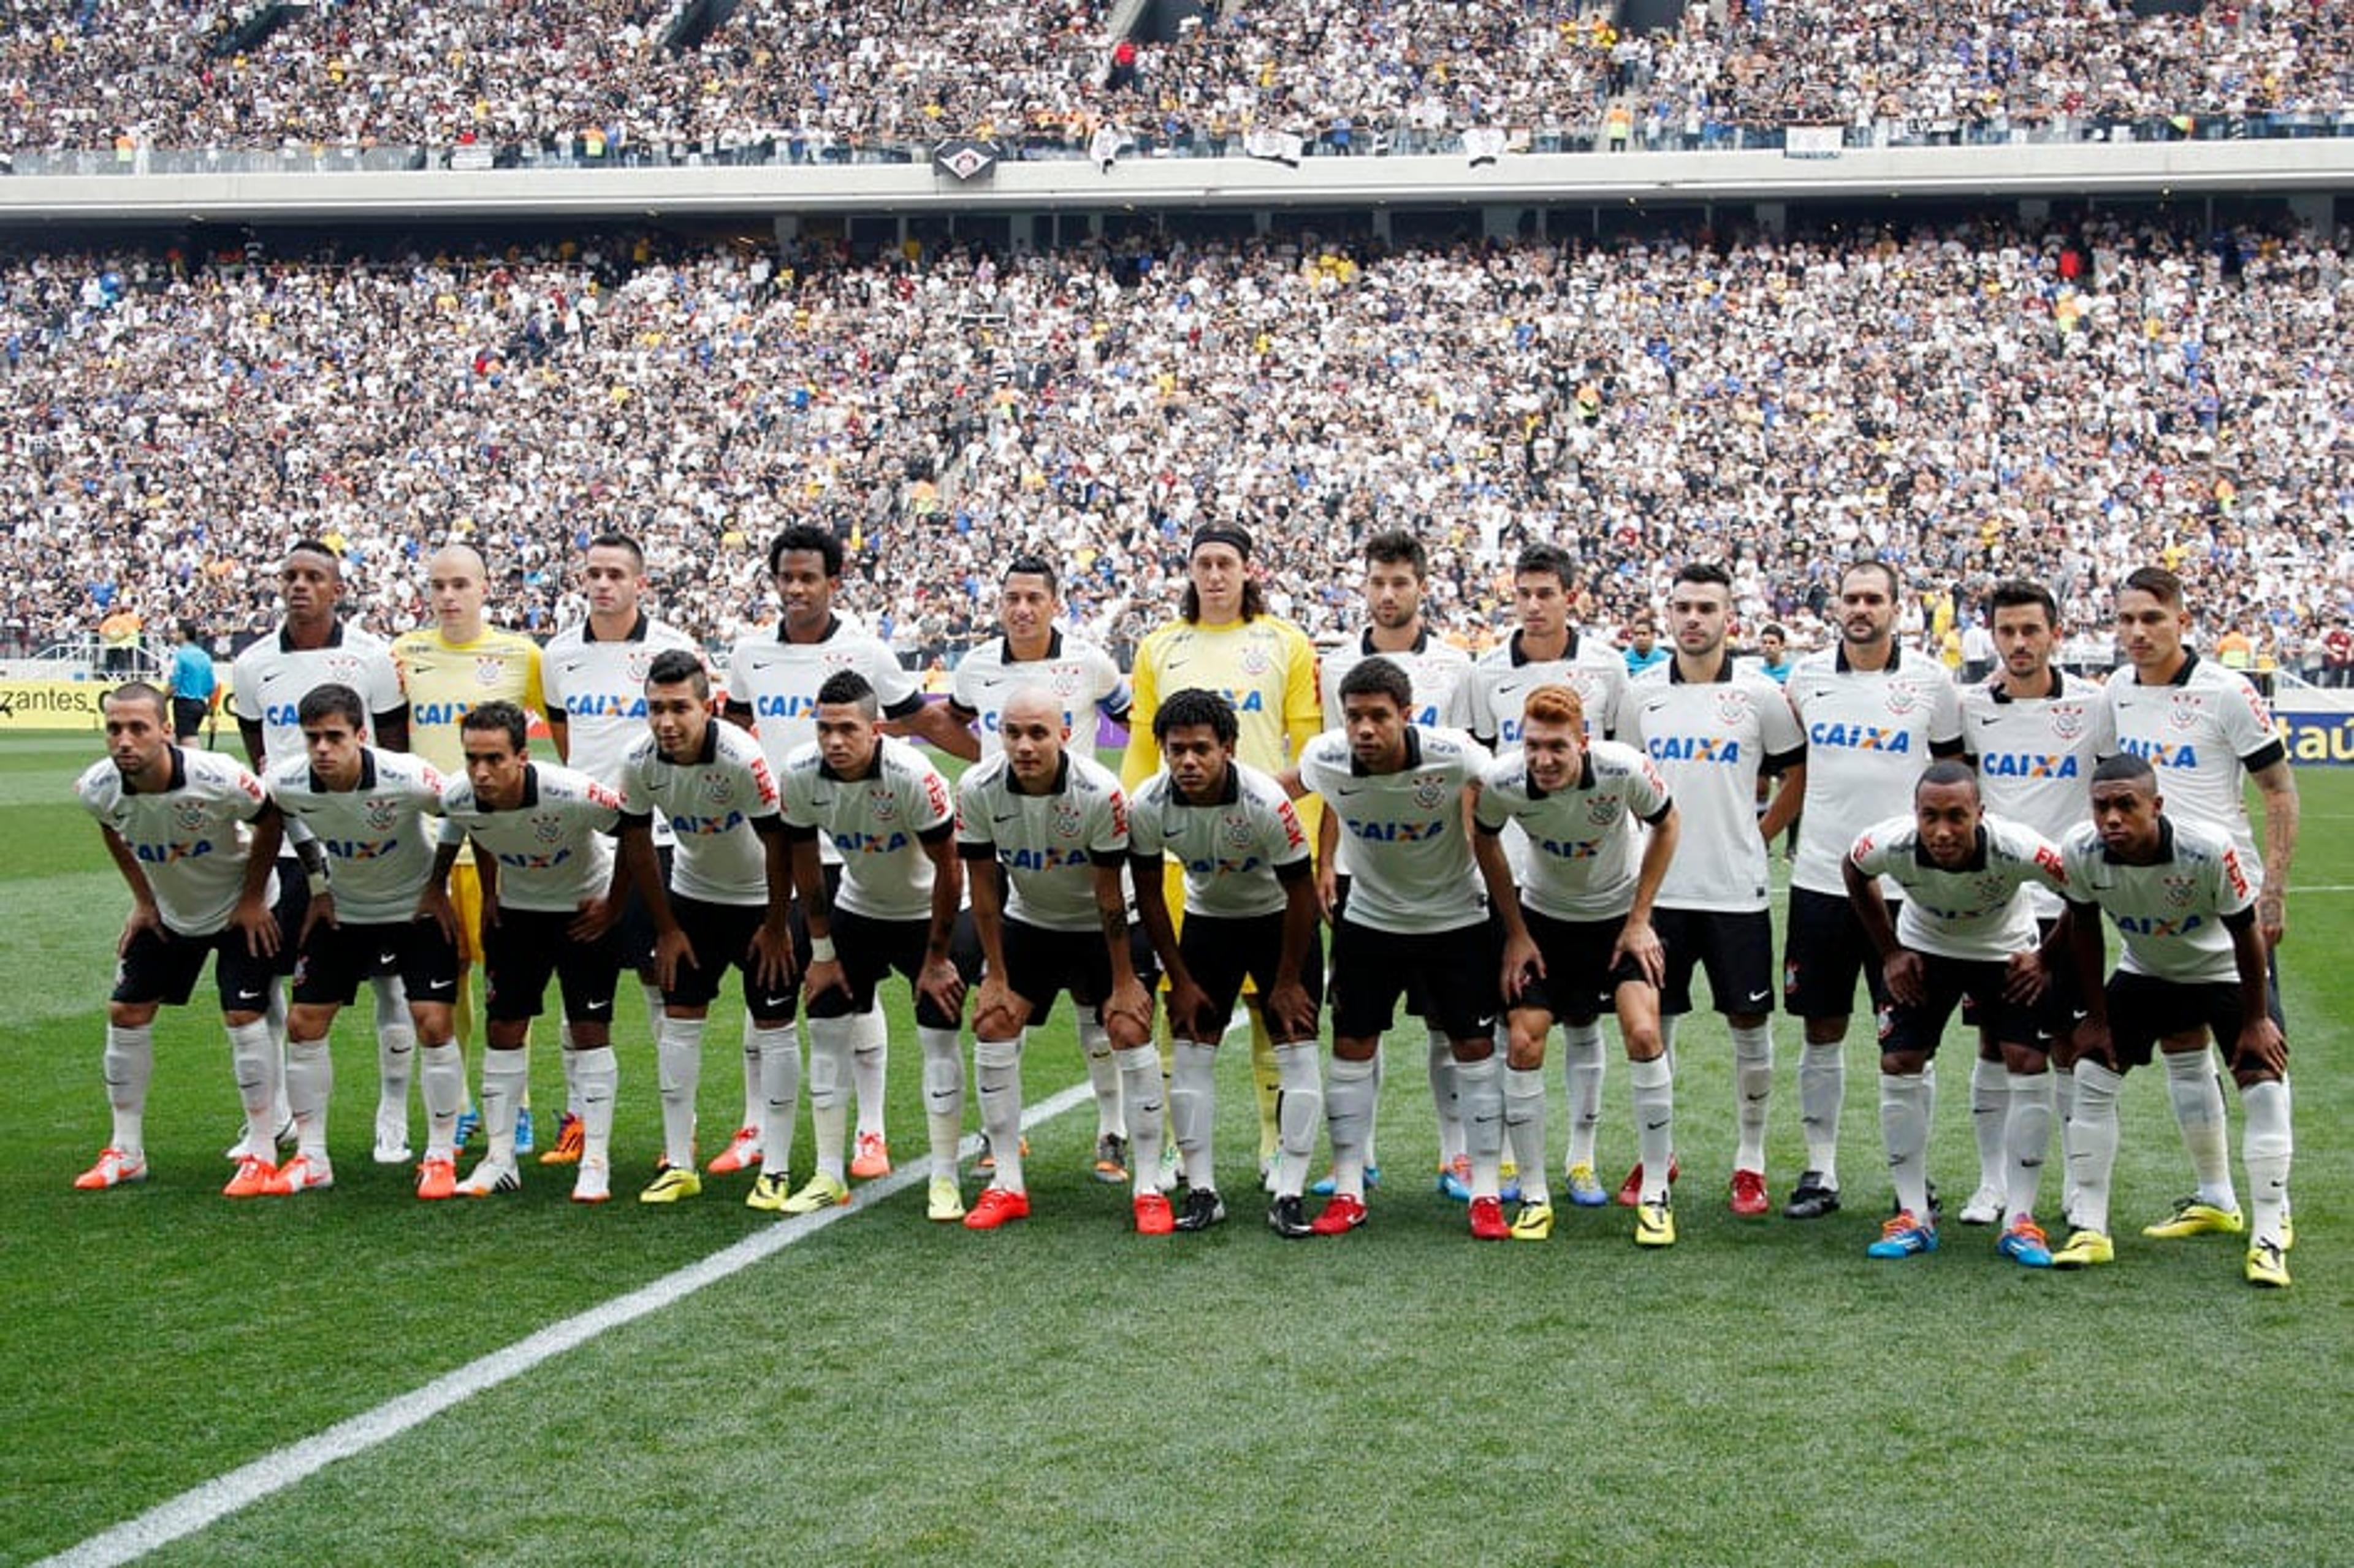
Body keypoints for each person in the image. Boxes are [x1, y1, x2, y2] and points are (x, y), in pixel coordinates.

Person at [725, 523, 978, 1186]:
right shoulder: (750, 653)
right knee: (784, 986)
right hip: (789, 836)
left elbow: (919, 720)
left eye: (810, 577)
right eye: (786, 577)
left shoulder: (866, 651)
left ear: (833, 582)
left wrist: (993, 761)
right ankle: (756, 1125)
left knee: (854, 992)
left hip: (868, 841)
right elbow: (731, 732)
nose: (797, 588)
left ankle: (872, 1130)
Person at [2101, 565, 2297, 1244]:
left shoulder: (2227, 691)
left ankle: (2276, 1208)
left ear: (2183, 621)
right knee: (2181, 1045)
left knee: (2256, 1052)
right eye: (2126, 619)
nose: (2137, 632)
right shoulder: (2115, 693)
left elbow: (2277, 788)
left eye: (2151, 618)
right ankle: (2215, 1194)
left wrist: (2272, 887)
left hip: (2228, 904)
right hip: (2152, 905)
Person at [1122, 522, 1321, 1190]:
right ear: (1189, 571)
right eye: (1202, 563)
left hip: (1267, 844)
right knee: (1186, 999)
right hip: (1185, 856)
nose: (1213, 575)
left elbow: (1309, 749)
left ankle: (1274, 1140)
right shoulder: (1160, 646)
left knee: (1277, 1003)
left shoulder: (1285, 642)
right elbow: (1144, 757)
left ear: (1246, 569)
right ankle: (1183, 1150)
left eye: (1225, 563)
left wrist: (1302, 840)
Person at [2055, 756, 2293, 1288]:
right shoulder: (2081, 851)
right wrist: (2096, 1018)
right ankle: (2090, 1227)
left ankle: (2270, 1234)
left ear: (2156, 807)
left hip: (2225, 971)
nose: (2112, 818)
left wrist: (2257, 1018)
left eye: (2126, 805)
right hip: (2148, 970)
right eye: (2102, 807)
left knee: (2264, 1081)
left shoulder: (2206, 849)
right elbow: (2085, 931)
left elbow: (2246, 933)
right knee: (2092, 1072)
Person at [1282, 657, 1497, 1238]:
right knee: (1352, 1045)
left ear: (1408, 715)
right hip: (1371, 920)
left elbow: (1506, 786)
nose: (1365, 730)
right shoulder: (1326, 756)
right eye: (1355, 717)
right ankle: (1349, 1187)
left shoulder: (1453, 753)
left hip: (1455, 918)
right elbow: (1278, 791)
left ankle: (1483, 1191)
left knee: (1474, 1046)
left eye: (1379, 716)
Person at [1780, 559, 1964, 1220]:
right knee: (1821, 1027)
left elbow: (1957, 772)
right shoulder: (1804, 678)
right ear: (1837, 605)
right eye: (1852, 598)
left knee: (1911, 1037)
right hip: (1821, 880)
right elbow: (1788, 764)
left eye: (1874, 599)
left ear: (1897, 607)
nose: (1862, 608)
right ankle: (1820, 1171)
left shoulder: (1932, 684)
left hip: (1907, 889)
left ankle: (1913, 1179)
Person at [1623, 561, 1806, 1216]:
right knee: (1655, 1025)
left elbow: (1797, 770)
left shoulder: (1759, 695)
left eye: (1706, 607)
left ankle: (1750, 1161)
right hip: (1659, 892)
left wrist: (1759, 833)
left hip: (1736, 890)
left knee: (1749, 1024)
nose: (1693, 618)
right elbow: (1623, 784)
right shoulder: (1638, 693)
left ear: (1730, 617)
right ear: (1667, 615)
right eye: (1682, 607)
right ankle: (1656, 1156)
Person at [1472, 683, 1681, 1245]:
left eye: (1557, 747)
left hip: (1617, 921)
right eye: (1533, 744)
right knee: (1523, 1042)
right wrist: (1514, 932)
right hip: (1544, 923)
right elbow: (1484, 839)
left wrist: (1640, 919)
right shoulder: (1504, 781)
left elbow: (1668, 824)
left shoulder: (1624, 769)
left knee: (1643, 1032)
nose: (1543, 759)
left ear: (1583, 743)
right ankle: (1536, 1197)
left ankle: (1657, 1193)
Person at [945, 554, 1132, 1179]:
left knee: (1096, 1012)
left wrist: (1118, 790)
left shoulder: (1090, 663)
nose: (1022, 608)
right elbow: (955, 720)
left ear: (1056, 604)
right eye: (1012, 598)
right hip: (1013, 846)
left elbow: (1137, 718)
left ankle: (1113, 1131)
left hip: (1085, 850)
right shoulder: (975, 667)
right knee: (998, 1001)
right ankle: (1001, 1137)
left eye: (1034, 597)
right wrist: (978, 765)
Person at [1842, 763, 2071, 1267]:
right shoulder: (1890, 844)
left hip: (2006, 953)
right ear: (1915, 815)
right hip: (1927, 951)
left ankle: (2021, 1221)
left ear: (1980, 815)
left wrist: (2046, 960)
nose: (1942, 831)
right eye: (1930, 817)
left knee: (2028, 1062)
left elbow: (2082, 890)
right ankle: (1912, 1216)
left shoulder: (2018, 847)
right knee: (1900, 1061)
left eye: (1956, 817)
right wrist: (1891, 953)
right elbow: (1854, 872)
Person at [230, 539, 412, 1166]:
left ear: (338, 589)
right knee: (277, 972)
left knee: (391, 981)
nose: (299, 586)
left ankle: (393, 1113)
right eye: (290, 576)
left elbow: (392, 748)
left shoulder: (371, 658)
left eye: (314, 576)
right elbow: (260, 754)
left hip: (367, 842)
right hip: (288, 841)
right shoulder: (254, 664)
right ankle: (276, 1111)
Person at [1314, 528, 1478, 1201]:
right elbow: (1334, 770)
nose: (1388, 594)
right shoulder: (1335, 668)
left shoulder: (1456, 666)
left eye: (1400, 582)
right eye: (1377, 582)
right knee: (1359, 1017)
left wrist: (1472, 860)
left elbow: (1471, 774)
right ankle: (1361, 1156)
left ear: (1421, 586)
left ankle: (1457, 1155)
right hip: (1363, 863)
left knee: (1448, 1021)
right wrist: (1325, 860)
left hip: (1440, 868)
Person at [956, 684, 1157, 1231]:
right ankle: (1007, 1185)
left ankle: (1148, 1187)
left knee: (1128, 1027)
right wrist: (994, 975)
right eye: (1013, 733)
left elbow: (1110, 895)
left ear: (1064, 735)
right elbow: (984, 888)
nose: (1024, 745)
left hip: (1105, 924)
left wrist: (1122, 982)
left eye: (1038, 733)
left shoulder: (1099, 791)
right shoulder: (977, 787)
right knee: (994, 1022)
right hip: (1032, 920)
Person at [73, 682, 286, 1196]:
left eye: (138, 728)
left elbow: (271, 819)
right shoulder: (98, 787)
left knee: (243, 1015)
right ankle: (126, 1151)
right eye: (114, 729)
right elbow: (110, 827)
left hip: (241, 908)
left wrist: (254, 898)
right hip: (172, 911)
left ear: (166, 732)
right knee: (126, 1012)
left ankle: (262, 1150)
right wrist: (144, 901)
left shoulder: (219, 777)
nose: (124, 740)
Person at [1127, 687, 1322, 1236]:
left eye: (1201, 749)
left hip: (1280, 921)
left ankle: (1290, 1193)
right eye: (1177, 749)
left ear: (1228, 749)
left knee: (1297, 1047)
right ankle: (1202, 1189)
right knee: (1190, 1049)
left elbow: (1302, 892)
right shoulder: (1147, 804)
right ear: (1163, 750)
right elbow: (1146, 896)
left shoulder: (1264, 802)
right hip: (1208, 922)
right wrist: (1180, 978)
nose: (1188, 761)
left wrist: (1286, 982)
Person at [538, 532, 706, 1170]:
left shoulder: (671, 649)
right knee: (578, 982)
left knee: (659, 981)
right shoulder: (559, 653)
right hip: (582, 836)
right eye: (593, 573)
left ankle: (678, 1131)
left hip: (655, 837)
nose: (602, 584)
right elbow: (565, 731)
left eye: (615, 574)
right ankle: (578, 1119)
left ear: (641, 583)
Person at [1470, 542, 1631, 1204]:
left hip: (1591, 879)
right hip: (1516, 874)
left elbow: (1622, 768)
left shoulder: (1608, 667)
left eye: (1546, 593)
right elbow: (1479, 780)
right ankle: (1510, 1156)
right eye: (1523, 594)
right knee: (1518, 1019)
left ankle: (1583, 1157)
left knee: (1586, 1023)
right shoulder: (1485, 673)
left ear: (1572, 595)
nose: (1533, 606)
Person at [782, 671, 974, 1224]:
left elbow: (950, 869)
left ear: (875, 730)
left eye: (847, 729)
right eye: (825, 729)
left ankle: (944, 1177)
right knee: (824, 1024)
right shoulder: (800, 773)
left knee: (938, 1035)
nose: (834, 741)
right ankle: (828, 1173)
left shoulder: (912, 774)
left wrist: (937, 960)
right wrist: (821, 953)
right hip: (859, 907)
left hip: (927, 915)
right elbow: (804, 865)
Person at [262, 684, 465, 1198]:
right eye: (313, 739)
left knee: (434, 1022)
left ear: (361, 735)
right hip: (346, 912)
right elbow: (279, 816)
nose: (323, 750)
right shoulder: (288, 781)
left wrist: (437, 884)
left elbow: (459, 809)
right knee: (305, 1024)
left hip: (413, 912)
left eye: (334, 737)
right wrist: (317, 885)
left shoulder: (405, 776)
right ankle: (312, 1158)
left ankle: (440, 1157)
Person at [612, 650, 799, 1208]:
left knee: (775, 1026)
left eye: (679, 709)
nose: (666, 722)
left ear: (709, 708)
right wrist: (667, 928)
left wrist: (773, 924)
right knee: (680, 1022)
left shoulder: (742, 759)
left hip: (759, 904)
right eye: (655, 709)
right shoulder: (639, 760)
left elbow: (780, 843)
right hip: (692, 898)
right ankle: (679, 1163)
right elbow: (639, 845)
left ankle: (779, 1168)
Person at [1954, 579, 2111, 1228]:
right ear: (1992, 635)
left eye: (2031, 631)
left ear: (2056, 634)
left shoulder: (2095, 707)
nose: (2019, 643)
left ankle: (2079, 1186)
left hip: (2067, 905)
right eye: (2007, 631)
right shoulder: (1970, 707)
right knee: (1996, 1044)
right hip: (1996, 911)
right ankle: (1992, 1184)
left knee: (2073, 1044)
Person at [431, 701, 625, 1199]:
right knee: (504, 1028)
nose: (481, 770)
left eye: (494, 758)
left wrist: (615, 903)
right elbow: (469, 826)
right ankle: (500, 1160)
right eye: (472, 757)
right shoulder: (460, 794)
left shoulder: (572, 792)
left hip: (582, 913)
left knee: (589, 1028)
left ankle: (596, 1162)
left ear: (522, 756)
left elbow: (636, 829)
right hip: (518, 916)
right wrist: (486, 890)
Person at [391, 542, 548, 1156]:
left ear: (485, 587)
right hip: (428, 852)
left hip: (499, 851)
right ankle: (455, 1106)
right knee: (442, 985)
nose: (449, 596)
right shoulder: (404, 654)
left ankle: (517, 1104)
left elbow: (560, 733)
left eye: (460, 584)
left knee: (508, 981)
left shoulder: (521, 656)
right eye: (438, 585)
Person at [166, 620, 216, 745]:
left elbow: (174, 685)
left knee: (189, 743)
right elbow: (211, 687)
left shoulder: (180, 655)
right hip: (200, 704)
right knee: (178, 741)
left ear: (183, 634)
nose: (172, 635)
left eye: (175, 632)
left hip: (185, 704)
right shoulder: (205, 656)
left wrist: (160, 700)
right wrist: (212, 712)